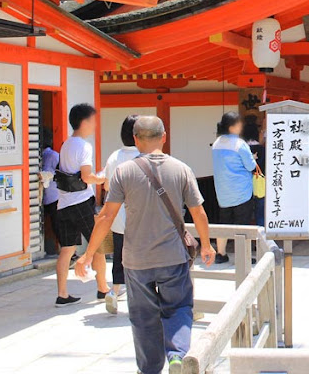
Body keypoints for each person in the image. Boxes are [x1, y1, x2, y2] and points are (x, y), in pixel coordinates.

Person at [76, 116, 215, 374]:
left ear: (136, 140)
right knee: (179, 307)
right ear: (164, 137)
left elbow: (106, 216)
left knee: (142, 317)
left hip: (136, 259)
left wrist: (87, 255)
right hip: (173, 256)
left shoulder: (123, 172)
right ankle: (177, 357)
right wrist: (206, 245)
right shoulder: (181, 169)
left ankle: (150, 369)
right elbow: (199, 213)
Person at [54, 104, 107, 307]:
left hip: (63, 203)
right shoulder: (84, 146)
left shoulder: (66, 144)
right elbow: (86, 177)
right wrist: (102, 178)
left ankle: (62, 294)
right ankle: (103, 288)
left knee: (67, 249)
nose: (94, 126)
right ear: (85, 122)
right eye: (93, 121)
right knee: (98, 244)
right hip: (81, 202)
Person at [102, 114, 140, 314]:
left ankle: (113, 292)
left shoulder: (114, 157)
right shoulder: (144, 157)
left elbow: (107, 185)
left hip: (118, 217)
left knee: (119, 256)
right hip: (142, 217)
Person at [212, 112, 256, 264]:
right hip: (241, 191)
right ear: (232, 127)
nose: (241, 126)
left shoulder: (217, 143)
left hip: (223, 192)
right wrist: (254, 158)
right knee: (242, 224)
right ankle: (243, 256)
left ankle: (221, 254)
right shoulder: (239, 144)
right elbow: (250, 166)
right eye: (239, 124)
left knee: (224, 223)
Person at [242, 115, 265, 227]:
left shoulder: (242, 149)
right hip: (259, 184)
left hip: (245, 185)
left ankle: (246, 241)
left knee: (245, 215)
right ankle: (261, 241)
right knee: (260, 214)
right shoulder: (261, 149)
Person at [41, 127, 60, 255]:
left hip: (54, 196)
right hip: (46, 197)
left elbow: (61, 172)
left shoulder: (52, 155)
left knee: (57, 225)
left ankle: (67, 252)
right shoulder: (42, 156)